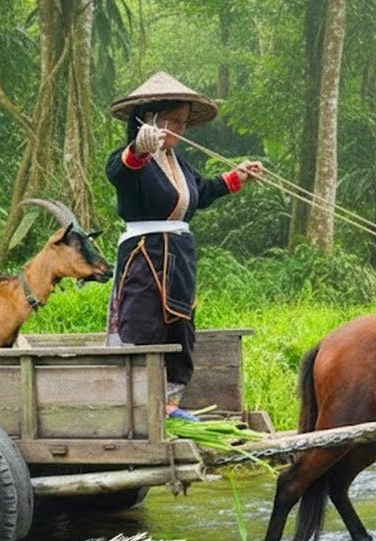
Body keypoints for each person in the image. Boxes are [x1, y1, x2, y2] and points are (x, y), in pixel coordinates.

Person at [105, 71, 262, 421]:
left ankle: (171, 405)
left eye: (183, 123)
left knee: (180, 325)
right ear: (150, 120)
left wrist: (237, 176)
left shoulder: (178, 162)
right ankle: (143, 405)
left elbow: (199, 193)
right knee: (144, 325)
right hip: (145, 256)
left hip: (178, 257)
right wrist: (139, 148)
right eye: (172, 121)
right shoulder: (134, 162)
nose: (179, 129)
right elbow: (119, 170)